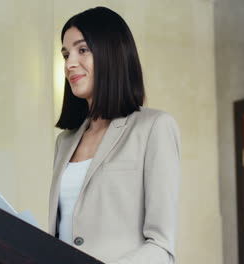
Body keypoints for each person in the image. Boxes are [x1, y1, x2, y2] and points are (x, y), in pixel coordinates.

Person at [48, 6, 181, 264]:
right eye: (65, 54)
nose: (69, 63)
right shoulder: (64, 143)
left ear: (112, 54)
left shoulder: (155, 127)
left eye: (82, 49)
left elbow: (161, 247)